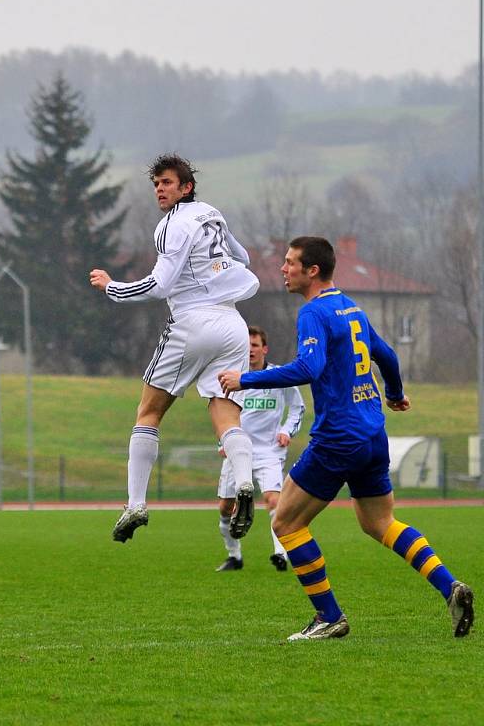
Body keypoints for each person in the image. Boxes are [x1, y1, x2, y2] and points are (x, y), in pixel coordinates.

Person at [219, 236, 474, 640]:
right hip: (373, 433)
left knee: (285, 523)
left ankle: (328, 617)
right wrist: (393, 394)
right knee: (380, 522)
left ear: (312, 270)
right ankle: (450, 586)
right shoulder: (350, 307)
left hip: (338, 437)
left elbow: (308, 367)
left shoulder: (314, 313)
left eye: (290, 263)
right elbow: (387, 355)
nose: (283, 269)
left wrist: (245, 379)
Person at [90, 153, 259, 542]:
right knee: (225, 413)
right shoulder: (211, 213)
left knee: (148, 411)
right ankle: (245, 483)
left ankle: (135, 504)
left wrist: (112, 288)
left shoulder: (171, 225)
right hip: (233, 324)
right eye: (156, 184)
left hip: (193, 322)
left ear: (186, 187)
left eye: (167, 183)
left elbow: (160, 284)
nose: (160, 190)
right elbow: (243, 258)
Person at [215, 325, 305, 573]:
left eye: (255, 346)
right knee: (226, 507)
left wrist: (286, 430)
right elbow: (220, 413)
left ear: (264, 348)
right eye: (247, 346)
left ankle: (280, 554)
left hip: (269, 451)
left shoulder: (279, 376)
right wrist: (223, 441)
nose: (250, 350)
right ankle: (234, 556)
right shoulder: (232, 377)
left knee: (273, 498)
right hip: (237, 451)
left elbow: (297, 408)